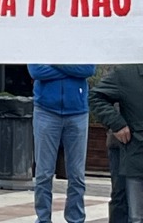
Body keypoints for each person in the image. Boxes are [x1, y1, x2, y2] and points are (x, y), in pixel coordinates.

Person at [29, 64, 95, 223]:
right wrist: (71, 69)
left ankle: (75, 219)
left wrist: (54, 63)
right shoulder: (40, 47)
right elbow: (36, 71)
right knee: (43, 173)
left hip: (77, 113)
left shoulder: (80, 47)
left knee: (77, 174)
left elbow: (88, 69)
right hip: (46, 111)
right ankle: (43, 219)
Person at [90, 67, 143, 223]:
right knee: (124, 203)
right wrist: (116, 123)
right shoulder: (125, 73)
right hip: (130, 148)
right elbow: (95, 96)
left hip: (131, 149)